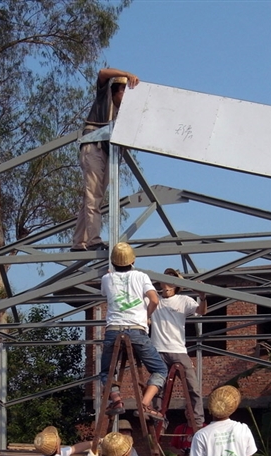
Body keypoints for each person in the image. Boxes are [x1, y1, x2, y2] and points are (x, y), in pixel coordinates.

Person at [71, 68, 139, 252]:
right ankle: (93, 240)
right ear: (117, 91)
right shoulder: (105, 98)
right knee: (94, 195)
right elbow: (102, 72)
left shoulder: (120, 114)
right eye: (124, 93)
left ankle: (79, 241)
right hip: (94, 148)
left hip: (107, 154)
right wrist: (127, 74)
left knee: (92, 198)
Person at [100, 242, 167, 419]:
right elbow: (154, 300)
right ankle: (144, 404)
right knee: (160, 369)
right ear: (133, 260)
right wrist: (146, 316)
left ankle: (116, 399)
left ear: (113, 262)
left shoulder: (106, 279)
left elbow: (105, 293)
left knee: (107, 371)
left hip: (113, 330)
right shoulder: (141, 276)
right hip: (136, 330)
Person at [149, 267, 207, 428]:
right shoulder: (154, 299)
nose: (166, 283)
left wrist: (202, 296)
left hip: (178, 350)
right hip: (159, 350)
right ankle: (159, 419)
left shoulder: (183, 300)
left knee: (192, 387)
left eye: (170, 280)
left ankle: (198, 421)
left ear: (175, 284)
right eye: (164, 279)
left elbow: (201, 311)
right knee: (158, 387)